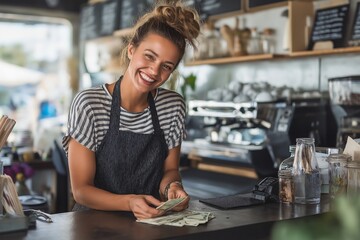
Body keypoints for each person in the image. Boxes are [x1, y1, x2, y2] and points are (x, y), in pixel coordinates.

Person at [62, 0, 200, 220]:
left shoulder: (173, 106)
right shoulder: (90, 104)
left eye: (166, 66)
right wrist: (129, 202)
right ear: (131, 49)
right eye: (149, 56)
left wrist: (172, 188)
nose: (154, 71)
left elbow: (170, 171)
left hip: (151, 223)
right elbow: (81, 191)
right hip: (93, 225)